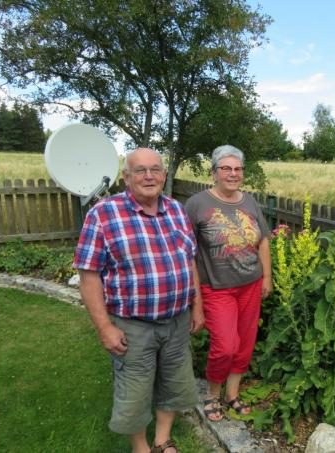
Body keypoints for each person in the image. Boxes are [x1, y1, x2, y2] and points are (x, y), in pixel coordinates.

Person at [73, 147, 204, 453]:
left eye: (155, 169)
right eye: (140, 170)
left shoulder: (176, 210)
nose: (149, 176)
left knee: (174, 383)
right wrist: (105, 328)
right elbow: (88, 276)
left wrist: (196, 305)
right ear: (126, 177)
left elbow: (190, 261)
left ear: (164, 174)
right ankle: (140, 447)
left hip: (177, 321)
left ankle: (162, 440)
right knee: (135, 391)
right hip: (132, 326)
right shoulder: (103, 214)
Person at [185, 145, 272, 422]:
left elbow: (264, 240)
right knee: (225, 346)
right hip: (217, 287)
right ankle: (212, 394)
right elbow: (188, 251)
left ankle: (232, 394)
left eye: (237, 169)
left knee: (245, 344)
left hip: (250, 285)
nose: (233, 174)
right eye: (226, 168)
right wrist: (194, 298)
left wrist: (267, 277)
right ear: (214, 172)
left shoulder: (250, 202)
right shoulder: (197, 204)